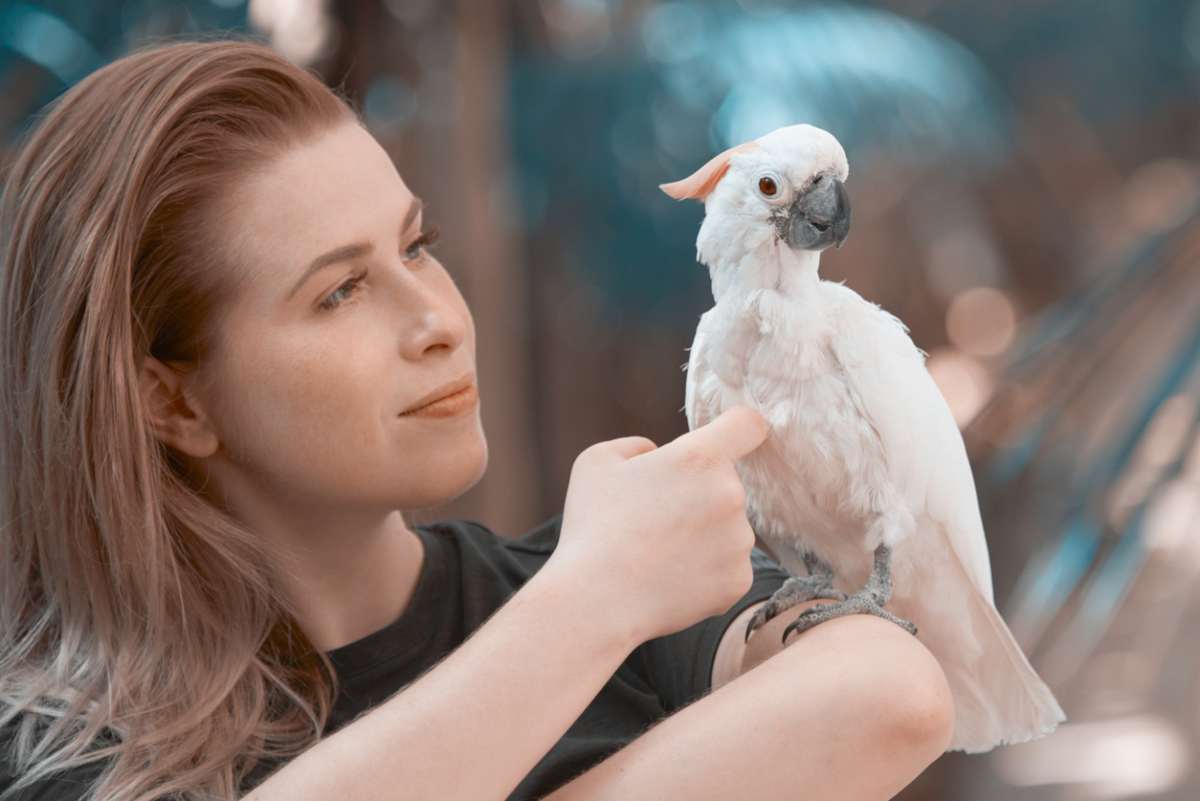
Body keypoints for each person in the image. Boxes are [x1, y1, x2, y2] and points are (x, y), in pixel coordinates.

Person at [0, 34, 953, 801]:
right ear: (172, 399)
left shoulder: (603, 588)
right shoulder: (60, 749)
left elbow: (894, 695)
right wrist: (591, 603)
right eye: (338, 293)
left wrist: (595, 592)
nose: (438, 322)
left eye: (418, 247)